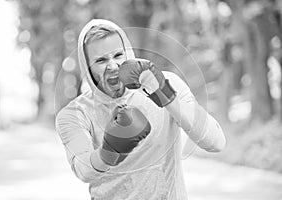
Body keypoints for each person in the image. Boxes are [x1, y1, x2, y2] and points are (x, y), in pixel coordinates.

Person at [55, 19, 226, 200]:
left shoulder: (168, 83)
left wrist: (164, 94)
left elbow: (216, 143)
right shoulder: (74, 114)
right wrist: (109, 153)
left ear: (128, 53)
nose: (112, 66)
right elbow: (83, 170)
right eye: (101, 60)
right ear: (87, 68)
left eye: (118, 55)